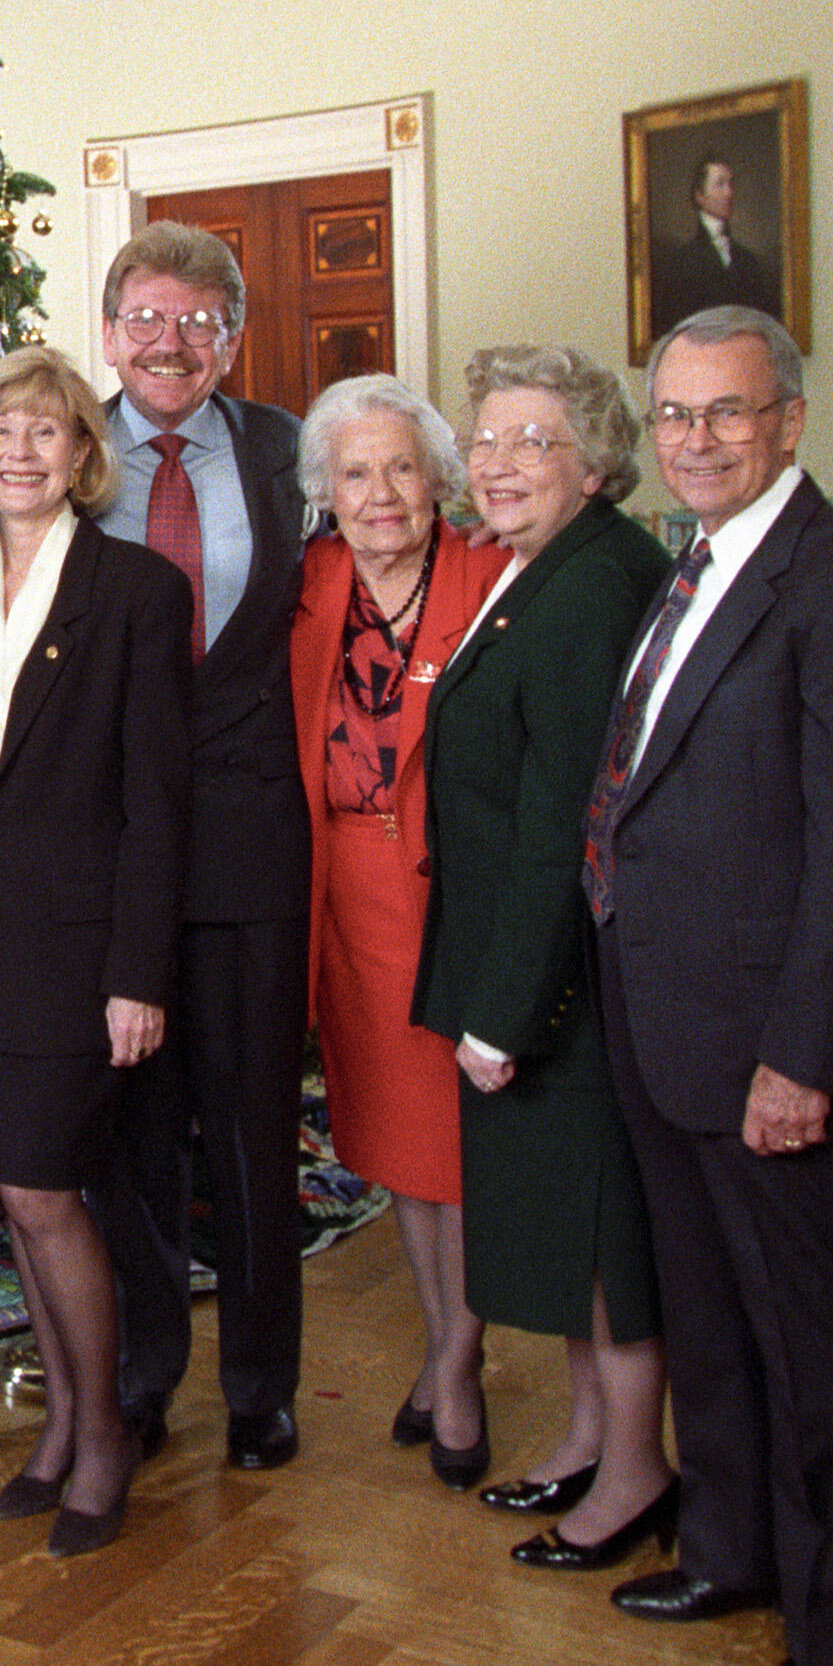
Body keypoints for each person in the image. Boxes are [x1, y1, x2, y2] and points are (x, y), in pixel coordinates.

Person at [586, 308, 833, 1666]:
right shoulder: (698, 563)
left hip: (773, 1043)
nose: (698, 439)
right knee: (716, 1322)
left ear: (792, 419)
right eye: (676, 416)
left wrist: (803, 1050)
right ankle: (732, 1547)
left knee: (821, 1340)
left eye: (728, 413)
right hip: (667, 1017)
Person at [408, 345, 677, 1569]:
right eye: (488, 438)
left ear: (596, 459)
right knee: (568, 1234)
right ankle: (584, 1434)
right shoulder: (539, 566)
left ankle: (631, 1470)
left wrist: (505, 1010)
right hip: (523, 966)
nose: (499, 462)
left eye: (533, 440)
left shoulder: (592, 583)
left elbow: (561, 814)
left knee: (606, 1236)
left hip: (558, 979)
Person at [0, 345, 191, 1558]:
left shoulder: (136, 591)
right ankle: (57, 1421)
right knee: (10, 1192)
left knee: (48, 1192)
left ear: (84, 455)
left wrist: (136, 971)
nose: (19, 452)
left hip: (77, 953)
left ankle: (104, 1432)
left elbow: (156, 801)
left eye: (45, 433)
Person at [85, 223, 313, 1472]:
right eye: (147, 320)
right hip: (111, 845)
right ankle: (142, 1370)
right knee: (132, 1128)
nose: (170, 344)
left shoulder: (285, 450)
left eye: (198, 321)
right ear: (110, 329)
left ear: (231, 335)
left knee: (249, 1125)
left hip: (246, 842)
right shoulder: (64, 450)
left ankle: (260, 1383)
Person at [287, 376, 508, 1478]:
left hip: (453, 902)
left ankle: (458, 1365)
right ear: (324, 492)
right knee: (398, 1157)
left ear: (436, 479)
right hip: (350, 906)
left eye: (400, 468)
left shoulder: (487, 573)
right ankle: (441, 1342)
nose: (380, 493)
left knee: (458, 1156)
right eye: (355, 472)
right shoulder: (313, 580)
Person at [651, 154, 781, 328]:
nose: (729, 193)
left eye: (730, 184)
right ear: (700, 196)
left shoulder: (748, 260)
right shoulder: (682, 262)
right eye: (720, 184)